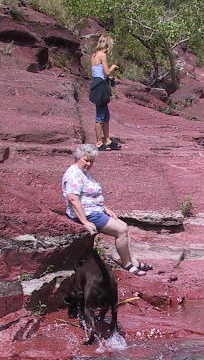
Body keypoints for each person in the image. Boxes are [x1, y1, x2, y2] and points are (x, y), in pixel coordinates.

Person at [63, 144, 152, 275]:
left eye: (91, 161)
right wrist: (84, 221)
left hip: (95, 211)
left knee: (124, 226)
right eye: (86, 160)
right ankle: (127, 264)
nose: (89, 164)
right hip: (88, 214)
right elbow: (73, 199)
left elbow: (90, 195)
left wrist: (104, 208)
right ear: (77, 158)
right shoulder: (73, 175)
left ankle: (133, 261)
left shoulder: (83, 173)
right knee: (121, 230)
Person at [89, 34, 121, 152]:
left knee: (105, 115)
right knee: (100, 115)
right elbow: (107, 72)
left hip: (97, 83)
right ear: (107, 44)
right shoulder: (102, 55)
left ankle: (107, 140)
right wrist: (113, 67)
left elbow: (97, 72)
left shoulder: (94, 55)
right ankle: (99, 142)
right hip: (100, 86)